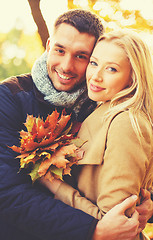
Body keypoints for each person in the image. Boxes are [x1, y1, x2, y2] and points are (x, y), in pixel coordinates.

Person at [0, 9, 152, 240]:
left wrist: (147, 202)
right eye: (60, 50)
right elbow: (6, 191)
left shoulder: (105, 103)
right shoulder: (10, 97)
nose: (67, 66)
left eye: (82, 56)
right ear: (49, 45)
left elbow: (137, 167)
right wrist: (92, 230)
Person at [40, 29, 153, 240]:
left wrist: (53, 184)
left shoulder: (126, 122)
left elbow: (115, 223)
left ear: (132, 78)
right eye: (94, 63)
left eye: (111, 69)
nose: (96, 76)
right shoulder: (100, 111)